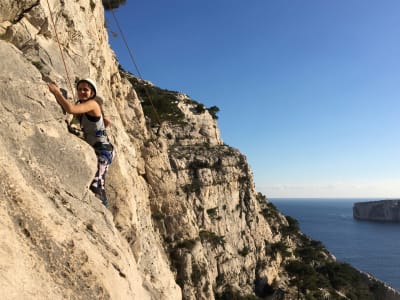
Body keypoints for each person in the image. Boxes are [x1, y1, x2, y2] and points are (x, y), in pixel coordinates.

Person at [48, 78, 114, 208]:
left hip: (102, 150)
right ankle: (102, 208)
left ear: (92, 93)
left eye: (86, 89)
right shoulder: (88, 106)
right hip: (101, 148)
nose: (82, 92)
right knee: (99, 185)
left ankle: (101, 213)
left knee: (96, 187)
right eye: (80, 89)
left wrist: (56, 92)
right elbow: (107, 122)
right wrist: (97, 129)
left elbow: (71, 109)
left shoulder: (93, 104)